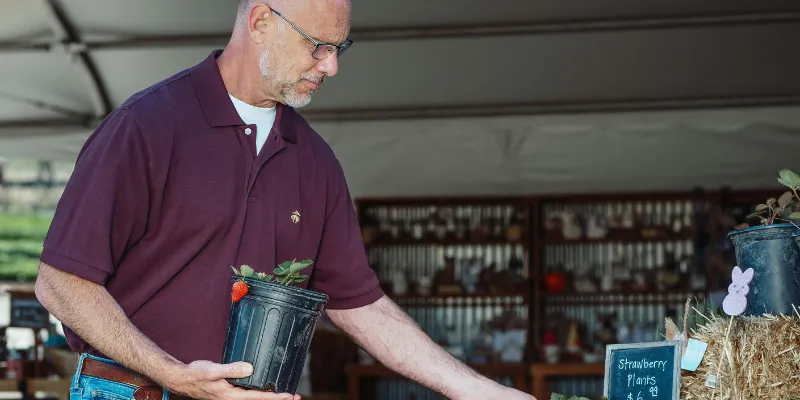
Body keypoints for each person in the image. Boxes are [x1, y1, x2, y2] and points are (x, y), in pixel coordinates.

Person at [34, 1, 537, 400]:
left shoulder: (314, 161)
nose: (332, 66)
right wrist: (176, 375)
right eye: (318, 46)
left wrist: (474, 389)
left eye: (341, 47)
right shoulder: (146, 127)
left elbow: (360, 304)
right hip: (131, 393)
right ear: (259, 22)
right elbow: (61, 284)